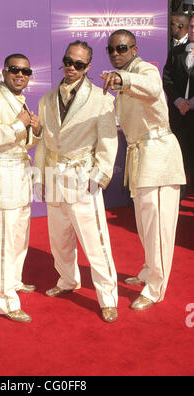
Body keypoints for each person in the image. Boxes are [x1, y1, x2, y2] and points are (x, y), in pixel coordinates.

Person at [34, 41, 119, 323]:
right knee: (59, 239)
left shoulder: (101, 98)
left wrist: (100, 176)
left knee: (95, 243)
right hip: (54, 176)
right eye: (68, 61)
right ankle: (67, 280)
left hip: (84, 178)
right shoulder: (46, 99)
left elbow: (108, 141)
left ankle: (108, 297)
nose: (71, 68)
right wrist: (40, 177)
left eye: (79, 64)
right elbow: (45, 143)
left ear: (88, 67)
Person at [101, 30, 186, 311]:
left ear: (134, 49)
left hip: (159, 157)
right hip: (141, 158)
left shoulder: (144, 69)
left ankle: (156, 288)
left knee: (159, 227)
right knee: (145, 223)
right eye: (111, 49)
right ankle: (150, 271)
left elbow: (150, 88)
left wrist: (123, 79)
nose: (116, 53)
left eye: (122, 48)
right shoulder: (123, 81)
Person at [0, 54, 41, 323]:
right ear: (4, 71)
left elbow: (24, 143)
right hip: (1, 177)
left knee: (19, 236)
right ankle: (6, 302)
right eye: (15, 69)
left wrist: (34, 131)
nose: (21, 75)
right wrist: (19, 124)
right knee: (2, 242)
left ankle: (13, 281)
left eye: (26, 71)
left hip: (21, 176)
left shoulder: (20, 101)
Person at [163, 14, 194, 198]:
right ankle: (178, 198)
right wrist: (178, 101)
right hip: (178, 115)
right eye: (191, 26)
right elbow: (167, 79)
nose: (192, 30)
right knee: (179, 158)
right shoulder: (176, 51)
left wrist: (191, 103)